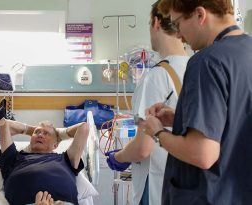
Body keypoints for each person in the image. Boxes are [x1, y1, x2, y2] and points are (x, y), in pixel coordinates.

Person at [143, 0, 252, 204]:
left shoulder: (207, 62)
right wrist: (181, 119)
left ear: (200, 15)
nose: (178, 35)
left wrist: (158, 132)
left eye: (177, 24)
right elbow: (234, 123)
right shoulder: (247, 53)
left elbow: (203, 154)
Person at [105, 1, 189, 204]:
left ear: (156, 23)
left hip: (157, 187)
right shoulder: (197, 67)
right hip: (187, 183)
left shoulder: (156, 77)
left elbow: (143, 148)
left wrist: (119, 158)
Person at [0, 119, 89, 205]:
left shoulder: (66, 159)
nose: (40, 135)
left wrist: (59, 134)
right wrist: (30, 130)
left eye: (46, 133)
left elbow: (83, 128)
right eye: (37, 132)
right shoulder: (14, 158)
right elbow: (4, 124)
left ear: (56, 144)